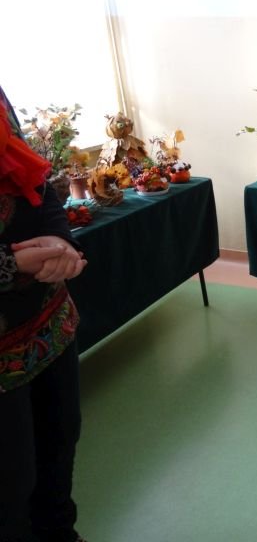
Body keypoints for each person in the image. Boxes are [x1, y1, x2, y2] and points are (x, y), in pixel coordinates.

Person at [0, 85, 88, 542]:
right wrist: (10, 265)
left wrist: (60, 240)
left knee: (59, 446)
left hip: (47, 326)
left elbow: (34, 180)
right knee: (9, 484)